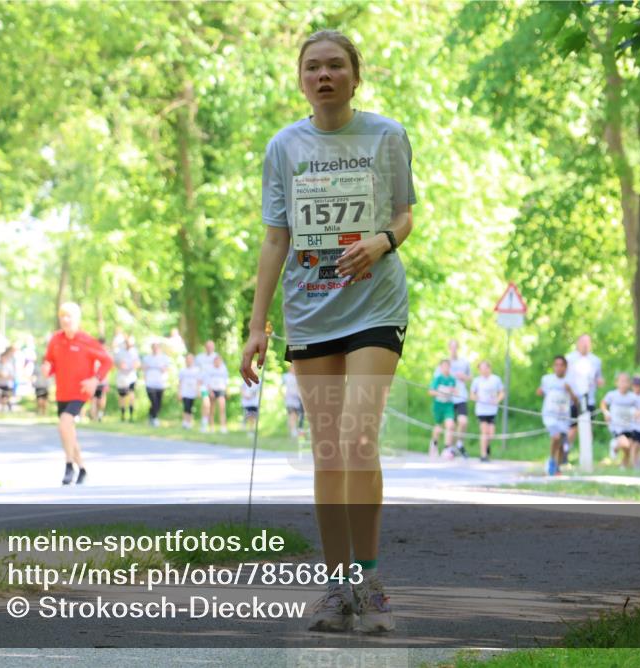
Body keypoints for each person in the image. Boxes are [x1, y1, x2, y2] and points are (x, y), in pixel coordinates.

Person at [240, 29, 415, 634]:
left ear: (354, 77)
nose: (324, 75)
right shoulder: (284, 146)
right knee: (328, 451)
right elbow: (275, 239)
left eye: (335, 65)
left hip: (375, 307)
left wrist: (382, 241)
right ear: (300, 79)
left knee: (358, 437)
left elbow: (405, 214)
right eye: (312, 67)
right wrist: (257, 325)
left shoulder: (386, 135)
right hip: (310, 310)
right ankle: (338, 588)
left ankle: (370, 583)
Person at [43, 302, 113, 485]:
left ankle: (69, 466)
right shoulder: (55, 340)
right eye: (62, 316)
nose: (65, 320)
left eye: (69, 316)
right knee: (68, 430)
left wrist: (95, 380)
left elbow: (107, 361)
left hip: (80, 391)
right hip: (62, 392)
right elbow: (50, 361)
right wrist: (47, 368)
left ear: (77, 319)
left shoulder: (86, 340)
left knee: (64, 423)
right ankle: (82, 469)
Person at [565, 334, 604, 462]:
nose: (585, 345)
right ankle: (565, 453)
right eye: (583, 342)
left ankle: (586, 457)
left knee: (588, 427)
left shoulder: (596, 361)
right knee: (572, 427)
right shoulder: (569, 359)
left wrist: (600, 381)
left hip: (589, 399)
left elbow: (599, 377)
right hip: (573, 399)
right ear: (578, 343)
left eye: (588, 342)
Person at [538, 356, 577, 475]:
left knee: (561, 443)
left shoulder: (571, 381)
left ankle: (557, 468)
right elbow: (541, 391)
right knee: (556, 437)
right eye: (556, 365)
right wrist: (540, 392)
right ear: (553, 366)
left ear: (566, 367)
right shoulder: (547, 379)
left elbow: (576, 401)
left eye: (561, 365)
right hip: (550, 415)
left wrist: (569, 391)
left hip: (564, 417)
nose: (559, 367)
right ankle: (551, 460)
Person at [600, 372, 639, 469]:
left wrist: (638, 414)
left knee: (629, 446)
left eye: (626, 381)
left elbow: (638, 409)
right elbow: (603, 404)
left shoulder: (633, 397)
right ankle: (614, 446)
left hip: (629, 426)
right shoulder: (612, 395)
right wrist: (606, 413)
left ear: (629, 384)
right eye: (621, 381)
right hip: (616, 427)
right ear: (616, 383)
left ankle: (623, 465)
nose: (623, 384)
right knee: (625, 443)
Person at [439, 339, 471, 454]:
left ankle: (459, 443)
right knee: (450, 424)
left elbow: (470, 377)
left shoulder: (464, 362)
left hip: (461, 396)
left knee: (463, 421)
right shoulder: (444, 363)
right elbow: (437, 380)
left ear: (458, 348)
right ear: (449, 348)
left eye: (455, 347)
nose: (453, 349)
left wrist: (464, 377)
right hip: (448, 398)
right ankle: (448, 448)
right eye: (451, 347)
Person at [469, 360, 503, 462]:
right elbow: (472, 394)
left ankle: (486, 447)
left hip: (492, 410)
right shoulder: (477, 381)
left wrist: (497, 400)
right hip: (481, 411)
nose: (483, 371)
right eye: (480, 369)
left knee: (491, 434)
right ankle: (483, 454)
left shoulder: (496, 379)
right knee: (484, 432)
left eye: (484, 368)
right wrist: (476, 398)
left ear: (489, 368)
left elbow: (501, 392)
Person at [429, 359, 457, 459]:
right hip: (438, 405)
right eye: (444, 366)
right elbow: (431, 392)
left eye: (447, 366)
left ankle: (447, 449)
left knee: (450, 425)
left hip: (448, 405)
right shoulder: (438, 379)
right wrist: (441, 392)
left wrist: (453, 391)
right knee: (438, 427)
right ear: (440, 367)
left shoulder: (452, 379)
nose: (446, 368)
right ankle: (434, 444)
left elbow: (456, 391)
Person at [142, 342, 170, 426]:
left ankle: (151, 416)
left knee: (158, 403)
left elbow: (166, 369)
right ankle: (154, 418)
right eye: (153, 347)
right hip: (150, 383)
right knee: (153, 401)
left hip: (160, 383)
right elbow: (143, 369)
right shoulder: (147, 358)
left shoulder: (164, 358)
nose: (155, 349)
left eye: (157, 347)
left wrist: (162, 368)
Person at [114, 336, 140, 422]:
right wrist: (120, 365)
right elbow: (115, 362)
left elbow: (138, 363)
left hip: (131, 377)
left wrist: (134, 366)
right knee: (122, 396)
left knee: (131, 394)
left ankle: (131, 415)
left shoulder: (134, 351)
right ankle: (123, 414)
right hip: (122, 377)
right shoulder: (119, 352)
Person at [196, 340, 218, 431]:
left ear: (213, 347)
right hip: (203, 385)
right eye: (208, 346)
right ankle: (204, 424)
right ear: (205, 347)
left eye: (211, 346)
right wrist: (197, 385)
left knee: (212, 406)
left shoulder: (216, 357)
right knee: (206, 403)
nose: (209, 348)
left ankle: (211, 425)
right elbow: (196, 371)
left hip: (213, 385)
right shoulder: (199, 357)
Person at [207, 354, 230, 433]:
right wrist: (210, 391)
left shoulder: (224, 369)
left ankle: (223, 427)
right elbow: (208, 381)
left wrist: (227, 391)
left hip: (221, 390)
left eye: (219, 361)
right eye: (216, 361)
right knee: (212, 409)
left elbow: (226, 381)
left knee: (222, 408)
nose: (218, 362)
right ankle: (211, 427)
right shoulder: (210, 369)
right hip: (213, 390)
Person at [89, 336, 110, 422]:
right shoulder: (94, 353)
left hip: (102, 381)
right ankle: (95, 417)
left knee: (99, 400)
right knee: (94, 400)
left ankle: (98, 415)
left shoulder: (106, 354)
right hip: (95, 381)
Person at [179, 353, 202, 430]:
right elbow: (180, 382)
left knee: (190, 407)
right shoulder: (182, 370)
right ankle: (185, 421)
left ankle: (189, 422)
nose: (189, 360)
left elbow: (198, 381)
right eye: (187, 359)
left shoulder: (197, 370)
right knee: (186, 406)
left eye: (190, 359)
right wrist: (179, 392)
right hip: (185, 391)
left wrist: (198, 391)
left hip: (193, 391)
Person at [283, 363, 305, 439]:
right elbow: (282, 387)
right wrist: (283, 395)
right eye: (293, 367)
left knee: (295, 416)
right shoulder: (286, 376)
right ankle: (293, 431)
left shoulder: (298, 377)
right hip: (289, 399)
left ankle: (292, 429)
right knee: (292, 414)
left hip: (297, 399)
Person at [0, 348, 15, 413]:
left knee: (5, 397)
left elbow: (12, 376)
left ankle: (3, 409)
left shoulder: (9, 365)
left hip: (7, 384)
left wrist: (5, 376)